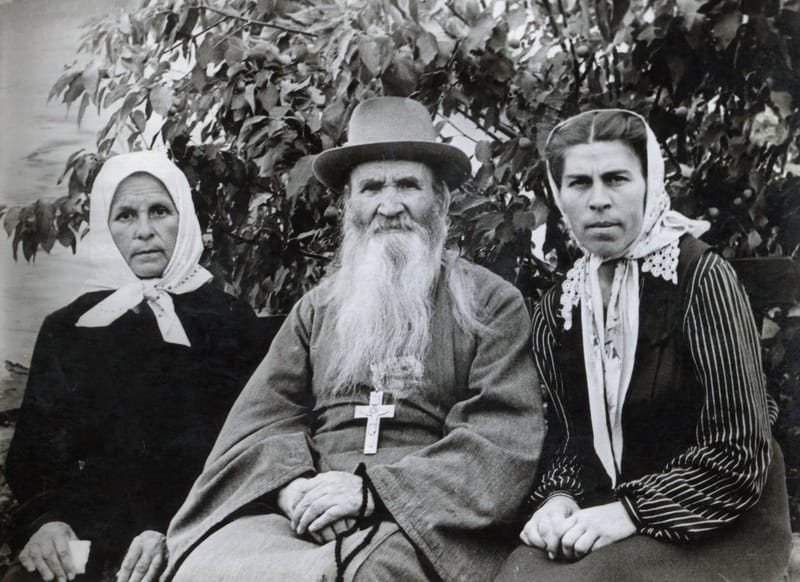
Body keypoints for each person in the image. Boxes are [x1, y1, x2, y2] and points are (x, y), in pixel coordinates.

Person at [162, 96, 545, 582]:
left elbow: (499, 442)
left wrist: (370, 492)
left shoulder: (490, 302)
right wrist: (294, 489)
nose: (390, 205)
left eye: (408, 185)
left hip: (423, 518)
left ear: (440, 201)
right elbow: (259, 424)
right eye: (371, 188)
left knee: (364, 575)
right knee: (205, 566)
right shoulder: (317, 309)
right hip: (310, 508)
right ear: (350, 204)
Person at [496, 109, 792, 582]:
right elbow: (571, 437)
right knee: (520, 571)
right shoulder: (561, 307)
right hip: (607, 508)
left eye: (616, 179)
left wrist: (629, 512)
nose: (598, 201)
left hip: (719, 512)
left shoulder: (700, 277)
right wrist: (559, 498)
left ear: (649, 183)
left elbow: (739, 450)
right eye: (579, 183)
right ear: (558, 194)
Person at [3, 152, 267, 582]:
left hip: (193, 527)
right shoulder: (69, 327)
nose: (144, 231)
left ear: (184, 219)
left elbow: (247, 448)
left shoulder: (228, 321)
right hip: (86, 533)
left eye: (159, 211)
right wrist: (47, 521)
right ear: (105, 228)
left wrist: (171, 529)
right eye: (125, 215)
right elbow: (35, 457)